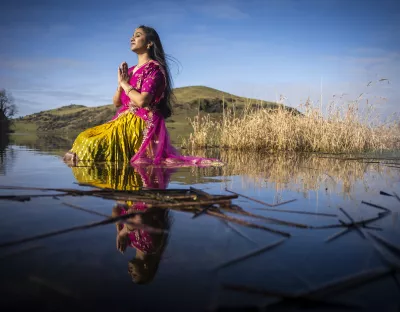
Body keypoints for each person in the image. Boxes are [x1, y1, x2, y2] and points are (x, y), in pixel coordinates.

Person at [63, 25, 223, 167]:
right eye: (133, 35)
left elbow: (141, 101)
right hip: (122, 120)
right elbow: (117, 103)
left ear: (149, 43)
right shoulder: (131, 70)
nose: (132, 38)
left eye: (138, 35)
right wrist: (121, 84)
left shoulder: (154, 69)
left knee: (91, 145)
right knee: (83, 137)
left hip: (140, 122)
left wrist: (125, 84)